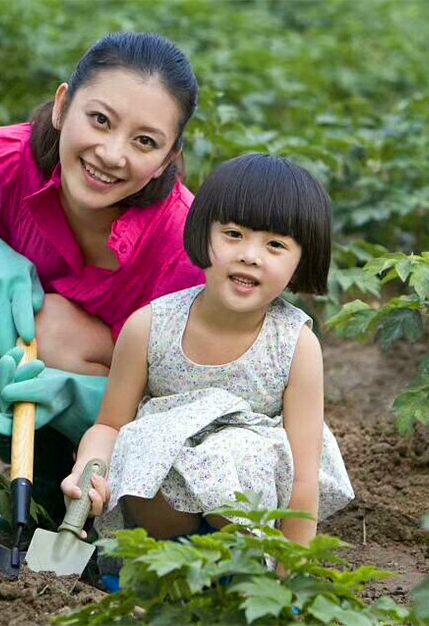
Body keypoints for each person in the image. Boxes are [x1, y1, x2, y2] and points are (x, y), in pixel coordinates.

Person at [0, 33, 205, 495]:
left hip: (129, 438)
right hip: (19, 409)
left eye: (144, 141)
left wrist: (88, 401)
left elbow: (188, 396)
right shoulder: (0, 160)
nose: (111, 154)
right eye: (100, 120)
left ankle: (87, 503)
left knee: (52, 328)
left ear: (168, 159)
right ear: (63, 106)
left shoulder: (182, 239)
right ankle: (15, 479)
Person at [61, 154, 355, 558]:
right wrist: (88, 468)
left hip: (246, 523)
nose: (250, 255)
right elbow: (111, 425)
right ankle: (150, 566)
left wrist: (292, 579)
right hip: (159, 520)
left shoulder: (295, 345)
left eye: (274, 245)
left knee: (239, 451)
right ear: (204, 234)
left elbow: (302, 478)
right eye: (233, 234)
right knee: (144, 441)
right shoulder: (150, 326)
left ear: (302, 259)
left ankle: (237, 572)